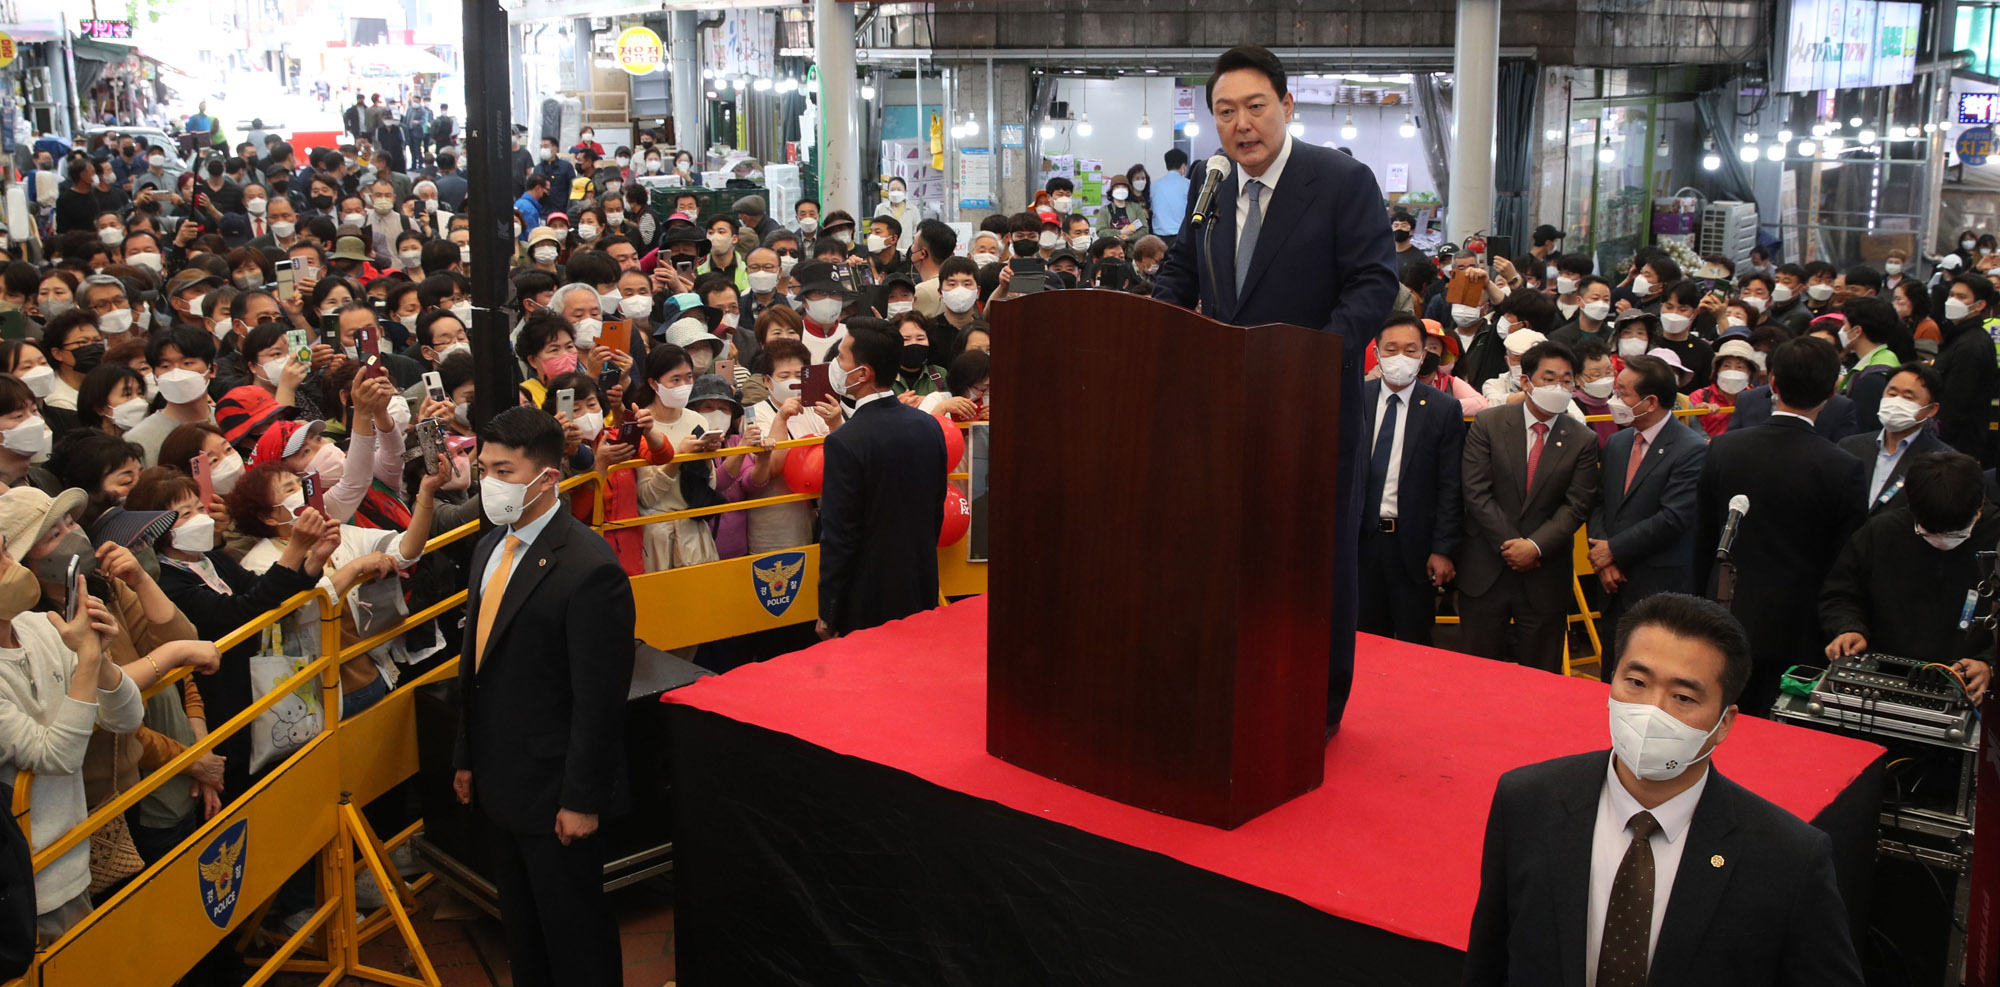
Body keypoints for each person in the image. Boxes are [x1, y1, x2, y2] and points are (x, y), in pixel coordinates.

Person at [1149, 45, 1397, 730]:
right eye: (1225, 111)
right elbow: (1180, 268)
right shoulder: (1211, 179)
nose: (1241, 124)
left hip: (1309, 403)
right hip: (1223, 409)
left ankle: (1317, 704)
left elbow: (1375, 282)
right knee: (1231, 552)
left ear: (1286, 106)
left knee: (1313, 559)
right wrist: (1152, 326)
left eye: (1255, 107)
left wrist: (1312, 357)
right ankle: (1234, 683)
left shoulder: (1340, 180)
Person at [1463, 592, 1865, 987]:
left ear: (1724, 722)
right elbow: (1489, 963)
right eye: (1636, 682)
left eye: (1683, 697)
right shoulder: (1526, 802)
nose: (1652, 711)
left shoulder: (1788, 857)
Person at [452, 406, 633, 987]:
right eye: (484, 469)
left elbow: (599, 697)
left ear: (547, 476)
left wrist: (582, 798)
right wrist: (465, 756)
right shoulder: (489, 548)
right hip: (500, 780)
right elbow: (475, 665)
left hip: (556, 788)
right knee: (524, 933)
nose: (490, 484)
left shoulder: (589, 568)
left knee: (575, 936)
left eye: (504, 470)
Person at [1694, 337, 1867, 715]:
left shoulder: (1725, 448)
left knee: (1716, 718)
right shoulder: (1843, 467)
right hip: (1799, 626)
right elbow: (1845, 557)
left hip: (1725, 613)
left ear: (1771, 382)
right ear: (1833, 390)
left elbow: (1704, 537)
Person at [0, 486, 141, 942]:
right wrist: (84, 659)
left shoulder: (41, 626)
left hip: (73, 858)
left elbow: (126, 718)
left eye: (3, 552)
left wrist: (100, 660)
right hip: (24, 884)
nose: (9, 566)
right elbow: (54, 755)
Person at [1458, 340, 1600, 673]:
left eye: (1567, 380)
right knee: (1475, 675)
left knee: (1540, 679)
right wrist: (1513, 545)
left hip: (1545, 574)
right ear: (1526, 381)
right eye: (1549, 378)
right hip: (1486, 569)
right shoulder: (1489, 424)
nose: (1558, 387)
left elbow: (1577, 505)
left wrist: (1534, 547)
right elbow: (1476, 490)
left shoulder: (1582, 439)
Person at [1820, 451, 1998, 694]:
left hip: (1966, 686)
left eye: (1955, 533)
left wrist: (1989, 662)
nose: (1941, 540)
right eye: (1927, 532)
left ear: (1979, 505)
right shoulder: (1881, 532)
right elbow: (1841, 594)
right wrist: (1849, 628)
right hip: (1881, 679)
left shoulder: (1994, 538)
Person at [816, 319, 947, 638]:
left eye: (842, 358)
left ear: (863, 374)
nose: (835, 365)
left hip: (867, 599)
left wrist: (828, 610)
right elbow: (935, 512)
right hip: (921, 584)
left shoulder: (845, 441)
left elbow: (839, 534)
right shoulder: (929, 426)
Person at [1586, 354, 1707, 675]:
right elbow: (1600, 502)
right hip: (1612, 585)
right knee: (1611, 673)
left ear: (1650, 402)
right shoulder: (1617, 443)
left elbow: (1674, 517)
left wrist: (1613, 551)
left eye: (1623, 393)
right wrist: (1603, 557)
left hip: (1656, 585)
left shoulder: (1691, 449)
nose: (1615, 400)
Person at [1356, 316, 1460, 645]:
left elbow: (1450, 485)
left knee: (1414, 641)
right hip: (1362, 542)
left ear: (1422, 356)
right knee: (1362, 640)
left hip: (1413, 547)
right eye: (1391, 349)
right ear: (1377, 352)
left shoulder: (1443, 409)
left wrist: (1443, 549)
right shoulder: (1356, 397)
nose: (1400, 356)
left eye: (1410, 349)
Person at [1837, 363, 1948, 516]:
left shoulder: (1942, 461)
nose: (1896, 402)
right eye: (1892, 394)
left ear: (1931, 409)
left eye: (1908, 397)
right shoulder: (1849, 446)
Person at [1933, 274, 2000, 463]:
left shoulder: (1970, 345)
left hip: (1957, 445)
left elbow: (1955, 404)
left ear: (1979, 305)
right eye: (1952, 294)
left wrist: (1938, 438)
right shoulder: (1959, 336)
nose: (1953, 301)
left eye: (1962, 297)